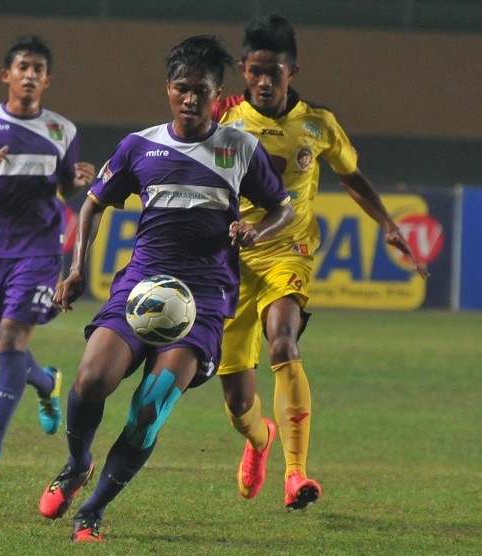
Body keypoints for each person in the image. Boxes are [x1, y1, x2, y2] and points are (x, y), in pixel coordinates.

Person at [38, 35, 294, 543]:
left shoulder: (240, 148)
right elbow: (92, 204)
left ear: (217, 92)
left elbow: (282, 208)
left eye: (201, 90)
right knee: (90, 380)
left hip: (203, 298)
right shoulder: (140, 146)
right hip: (141, 285)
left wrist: (256, 231)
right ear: (168, 90)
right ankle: (76, 463)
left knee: (149, 408)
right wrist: (76, 269)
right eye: (182, 89)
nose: (190, 99)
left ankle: (91, 511)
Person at [211, 14, 429, 510]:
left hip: (290, 249)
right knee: (237, 403)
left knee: (283, 342)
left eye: (276, 72)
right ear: (243, 69)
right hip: (231, 261)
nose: (265, 82)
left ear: (293, 71)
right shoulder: (222, 118)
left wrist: (387, 223)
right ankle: (259, 438)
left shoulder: (318, 123)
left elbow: (352, 176)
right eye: (255, 71)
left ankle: (296, 474)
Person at [0, 36, 96, 468]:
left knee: (11, 339)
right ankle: (46, 383)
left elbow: (64, 187)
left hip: (40, 249)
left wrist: (77, 181)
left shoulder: (63, 130)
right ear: (6, 75)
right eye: (23, 67)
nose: (30, 75)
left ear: (47, 81)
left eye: (38, 69)